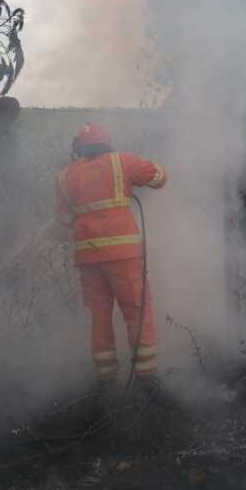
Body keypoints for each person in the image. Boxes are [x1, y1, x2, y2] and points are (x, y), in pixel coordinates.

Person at [55, 123, 168, 388]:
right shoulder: (122, 162)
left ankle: (106, 381)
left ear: (79, 148)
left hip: (88, 260)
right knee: (137, 312)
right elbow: (160, 178)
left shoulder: (64, 176)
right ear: (107, 143)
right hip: (123, 255)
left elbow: (64, 218)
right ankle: (147, 380)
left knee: (99, 317)